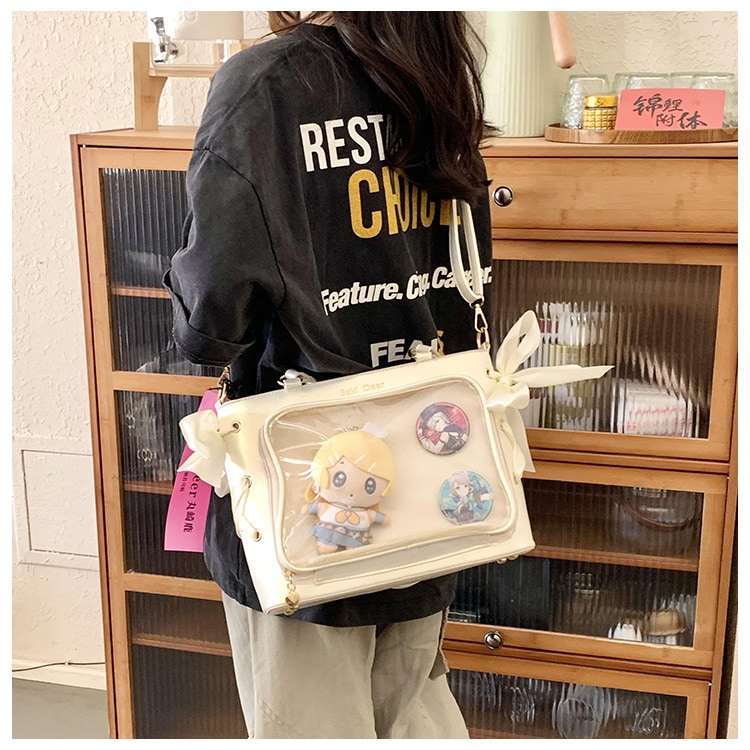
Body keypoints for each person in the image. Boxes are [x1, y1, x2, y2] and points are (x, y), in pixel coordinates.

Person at [164, 10, 495, 739]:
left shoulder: (265, 85)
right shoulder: (435, 69)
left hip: (304, 492)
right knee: (412, 716)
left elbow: (209, 325)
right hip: (432, 473)